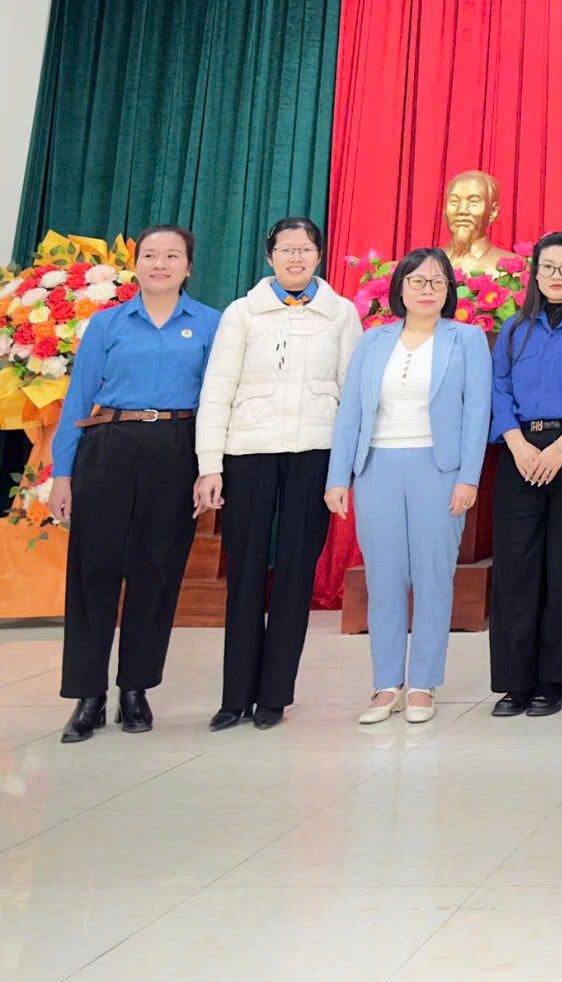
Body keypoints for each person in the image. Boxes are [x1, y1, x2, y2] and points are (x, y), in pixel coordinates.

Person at [47, 225, 219, 743]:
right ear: (136, 264)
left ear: (189, 267)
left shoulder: (210, 323)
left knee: (157, 568)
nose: (159, 264)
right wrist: (62, 474)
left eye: (172, 256)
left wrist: (209, 466)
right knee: (93, 568)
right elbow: (78, 400)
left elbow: (218, 401)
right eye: (150, 255)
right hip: (109, 445)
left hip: (177, 448)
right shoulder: (107, 323)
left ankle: (135, 690)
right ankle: (88, 695)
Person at [194, 217, 363, 731]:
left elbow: (353, 396)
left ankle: (273, 696)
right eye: (286, 249)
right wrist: (210, 464)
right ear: (270, 257)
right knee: (246, 571)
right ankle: (234, 696)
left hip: (314, 454)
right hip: (249, 453)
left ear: (319, 256)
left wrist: (344, 471)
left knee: (295, 573)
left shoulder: (341, 313)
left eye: (305, 249)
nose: (295, 258)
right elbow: (217, 389)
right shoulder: (242, 313)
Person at [325, 248, 491, 726]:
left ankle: (422, 684)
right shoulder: (373, 340)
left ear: (449, 290)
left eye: (437, 282)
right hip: (376, 468)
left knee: (434, 577)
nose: (426, 289)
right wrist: (338, 477)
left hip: (438, 469)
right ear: (399, 287)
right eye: (417, 280)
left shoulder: (467, 339)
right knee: (384, 579)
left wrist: (468, 477)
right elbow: (351, 411)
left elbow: (477, 412)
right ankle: (385, 685)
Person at [487, 232, 562, 718]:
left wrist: (560, 447)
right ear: (535, 273)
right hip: (519, 454)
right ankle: (515, 681)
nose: (557, 276)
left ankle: (552, 681)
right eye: (548, 267)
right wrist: (518, 445)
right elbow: (499, 391)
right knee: (516, 567)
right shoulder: (515, 329)